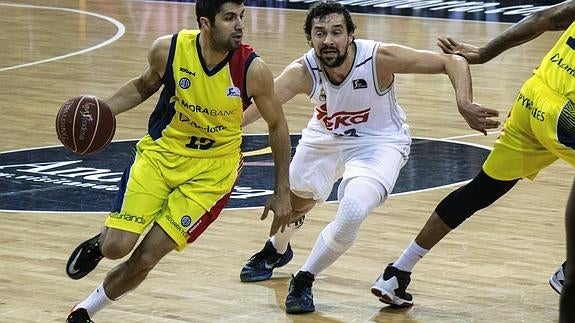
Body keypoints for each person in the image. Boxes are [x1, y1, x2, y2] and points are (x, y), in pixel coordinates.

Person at [239, 0, 499, 314]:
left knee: (351, 211)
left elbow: (452, 61)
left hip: (380, 142)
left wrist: (463, 102)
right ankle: (277, 249)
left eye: (337, 32)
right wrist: (217, 131)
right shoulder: (301, 71)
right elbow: (255, 110)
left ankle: (304, 277)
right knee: (296, 201)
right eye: (320, 33)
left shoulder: (378, 58)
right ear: (310, 39)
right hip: (326, 135)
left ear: (351, 36)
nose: (329, 40)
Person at [63, 1, 292, 322]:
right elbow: (143, 85)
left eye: (242, 17)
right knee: (117, 247)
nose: (239, 25)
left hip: (211, 174)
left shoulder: (252, 70)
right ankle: (100, 244)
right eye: (229, 18)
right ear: (206, 23)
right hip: (160, 156)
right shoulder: (167, 51)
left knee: (145, 257)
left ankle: (85, 309)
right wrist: (104, 110)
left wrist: (282, 189)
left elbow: (277, 125)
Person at [372, 1, 575, 321]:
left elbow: (543, 18)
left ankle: (398, 272)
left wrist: (483, 53)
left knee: (480, 190)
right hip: (566, 116)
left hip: (532, 97)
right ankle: (568, 272)